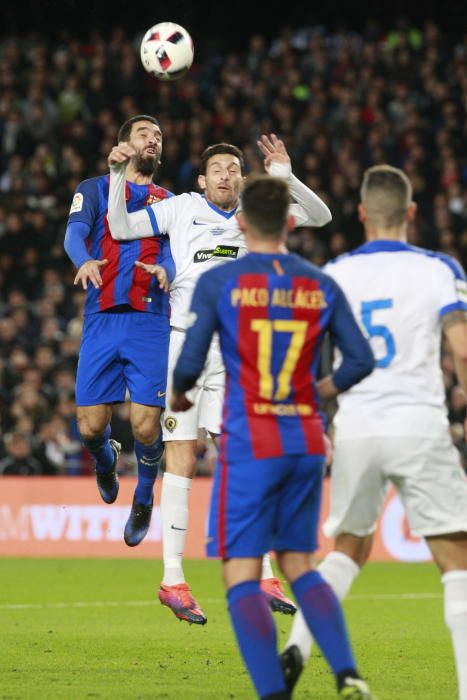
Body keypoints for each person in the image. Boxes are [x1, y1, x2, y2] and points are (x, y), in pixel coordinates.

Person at [107, 134, 332, 624]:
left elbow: (320, 217)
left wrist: (286, 176)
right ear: (203, 179)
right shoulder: (180, 208)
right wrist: (117, 175)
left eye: (233, 168)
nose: (226, 175)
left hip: (238, 349)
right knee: (180, 456)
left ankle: (265, 571)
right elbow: (120, 226)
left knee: (249, 452)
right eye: (218, 169)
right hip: (187, 340)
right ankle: (172, 579)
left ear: (243, 177)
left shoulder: (257, 210)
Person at [170, 174, 375, 699]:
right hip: (306, 440)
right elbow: (361, 360)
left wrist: (180, 396)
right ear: (289, 221)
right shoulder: (319, 281)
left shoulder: (222, 284)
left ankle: (272, 693)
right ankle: (347, 672)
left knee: (240, 573)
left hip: (251, 442)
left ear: (241, 222)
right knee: (300, 564)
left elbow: (190, 364)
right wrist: (318, 389)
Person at [283, 165, 467, 700]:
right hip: (418, 423)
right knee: (456, 559)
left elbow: (307, 354)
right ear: (411, 214)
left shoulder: (335, 272)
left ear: (361, 214)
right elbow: (461, 347)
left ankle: (297, 643)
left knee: (346, 550)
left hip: (357, 425)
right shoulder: (439, 269)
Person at [64, 115, 174, 546]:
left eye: (159, 136)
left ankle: (144, 496)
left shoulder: (170, 201)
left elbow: (176, 251)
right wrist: (83, 261)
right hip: (102, 319)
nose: (154, 140)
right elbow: (74, 234)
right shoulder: (92, 189)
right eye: (145, 133)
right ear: (124, 144)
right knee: (90, 427)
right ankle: (105, 458)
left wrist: (167, 269)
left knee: (146, 427)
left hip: (151, 320)